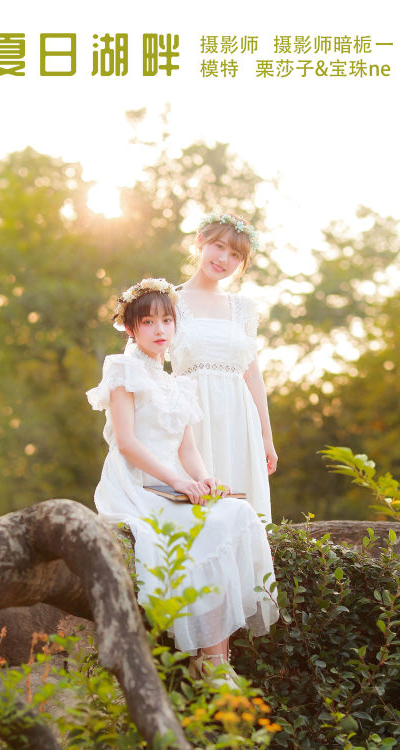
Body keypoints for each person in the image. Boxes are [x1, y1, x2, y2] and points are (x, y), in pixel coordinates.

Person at [86, 277, 278, 684]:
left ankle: (214, 661)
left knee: (237, 514)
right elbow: (128, 444)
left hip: (174, 484)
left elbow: (188, 450)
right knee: (201, 529)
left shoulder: (178, 383)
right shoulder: (122, 371)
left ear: (176, 326)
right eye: (149, 322)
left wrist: (206, 480)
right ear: (130, 328)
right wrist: (179, 483)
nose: (159, 330)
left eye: (167, 321)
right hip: (136, 484)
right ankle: (212, 663)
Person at [170, 213, 278, 524]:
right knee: (195, 515)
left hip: (238, 418)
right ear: (201, 242)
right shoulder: (170, 301)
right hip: (193, 417)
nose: (224, 259)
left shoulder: (243, 307)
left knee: (241, 511)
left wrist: (266, 437)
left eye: (235, 255)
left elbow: (252, 375)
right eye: (219, 247)